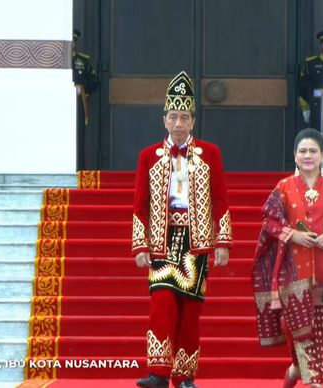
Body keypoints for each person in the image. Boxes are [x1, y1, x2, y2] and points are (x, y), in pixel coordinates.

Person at [132, 71, 232, 388]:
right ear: (164, 120)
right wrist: (140, 245)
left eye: (184, 117)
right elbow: (140, 203)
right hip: (162, 240)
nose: (178, 123)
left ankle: (185, 376)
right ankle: (158, 374)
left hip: (196, 241)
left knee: (190, 313)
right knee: (161, 306)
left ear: (192, 121)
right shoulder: (148, 156)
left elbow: (221, 199)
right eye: (173, 117)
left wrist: (222, 242)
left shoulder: (210, 153)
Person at [251, 128, 323, 388]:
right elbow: (269, 223)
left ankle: (298, 373)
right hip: (293, 272)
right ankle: (312, 381)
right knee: (298, 329)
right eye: (302, 151)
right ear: (295, 156)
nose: (307, 156)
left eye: (313, 151)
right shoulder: (283, 188)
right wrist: (291, 235)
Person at [72, 29, 98, 169]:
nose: (72, 44)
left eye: (74, 41)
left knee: (79, 134)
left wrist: (84, 90)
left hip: (78, 100)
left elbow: (94, 81)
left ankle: (80, 169)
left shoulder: (83, 60)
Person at [298, 31, 323, 132]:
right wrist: (306, 109)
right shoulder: (311, 63)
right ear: (321, 44)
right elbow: (302, 87)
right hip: (317, 106)